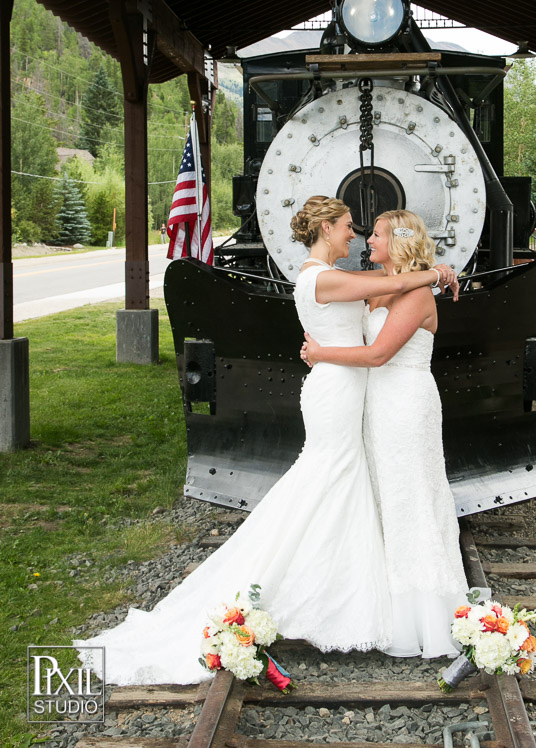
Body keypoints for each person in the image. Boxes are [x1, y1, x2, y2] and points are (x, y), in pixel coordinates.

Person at [75, 197, 457, 684]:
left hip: (376, 397)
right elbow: (397, 291)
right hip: (341, 390)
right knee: (329, 481)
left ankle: (348, 590)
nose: (357, 237)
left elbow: (395, 294)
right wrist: (439, 273)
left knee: (352, 486)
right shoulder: (322, 277)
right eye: (348, 227)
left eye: (372, 234)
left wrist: (432, 277)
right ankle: (301, 585)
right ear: (325, 228)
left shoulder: (364, 285)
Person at [301, 210, 477, 658]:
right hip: (376, 405)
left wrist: (322, 353)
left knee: (410, 497)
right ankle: (385, 606)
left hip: (405, 404)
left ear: (398, 241)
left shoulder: (416, 295)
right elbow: (351, 289)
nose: (365, 240)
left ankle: (425, 615)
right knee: (383, 498)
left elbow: (379, 354)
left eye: (375, 234)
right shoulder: (380, 288)